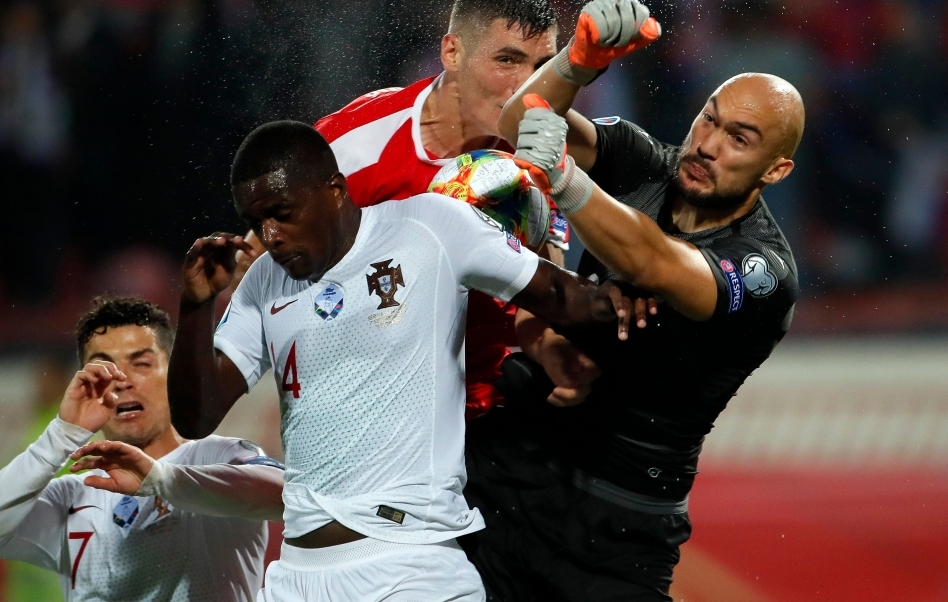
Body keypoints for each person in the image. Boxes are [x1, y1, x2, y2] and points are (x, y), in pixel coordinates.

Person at [166, 120, 637, 602]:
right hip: (296, 578)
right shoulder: (265, 280)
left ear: (334, 189)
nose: (270, 235)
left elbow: (565, 295)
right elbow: (196, 417)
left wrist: (630, 294)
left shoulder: (428, 225)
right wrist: (196, 305)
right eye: (257, 219)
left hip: (410, 570)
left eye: (282, 214)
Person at [459, 0, 802, 601]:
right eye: (709, 118)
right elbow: (516, 125)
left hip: (618, 529)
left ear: (775, 170)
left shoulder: (764, 269)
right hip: (503, 471)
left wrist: (564, 177)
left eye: (739, 139)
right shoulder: (648, 163)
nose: (708, 144)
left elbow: (653, 261)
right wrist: (577, 61)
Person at [313, 0, 565, 419]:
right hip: (368, 414)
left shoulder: (545, 151)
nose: (527, 86)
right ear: (452, 51)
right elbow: (273, 278)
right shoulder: (351, 148)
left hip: (487, 412)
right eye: (507, 61)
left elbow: (542, 290)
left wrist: (550, 346)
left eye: (542, 67)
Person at [0, 297, 284, 602]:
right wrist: (62, 433)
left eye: (141, 364)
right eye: (104, 368)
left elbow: (288, 497)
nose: (122, 380)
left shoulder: (220, 458)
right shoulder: (75, 495)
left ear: (174, 373)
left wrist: (160, 479)